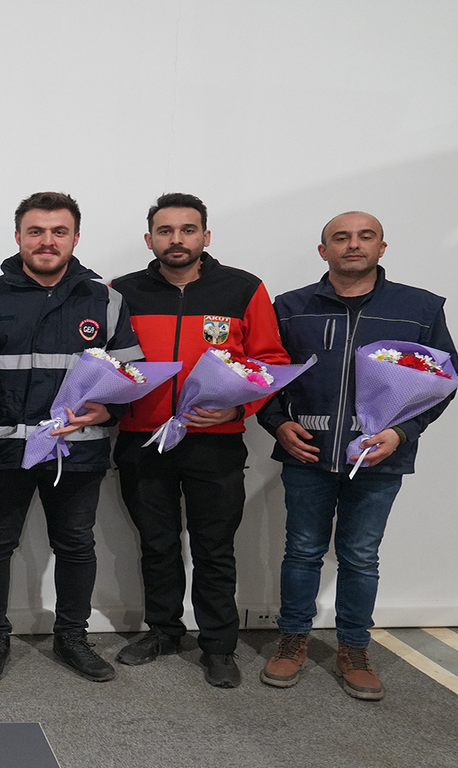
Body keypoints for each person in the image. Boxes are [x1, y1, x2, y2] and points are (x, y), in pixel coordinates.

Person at [257, 211, 458, 701]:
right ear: (322, 250)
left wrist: (403, 433)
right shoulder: (291, 308)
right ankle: (293, 639)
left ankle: (354, 648)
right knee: (301, 551)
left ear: (381, 248)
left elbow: (445, 381)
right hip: (307, 456)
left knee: (361, 557)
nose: (353, 244)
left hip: (379, 460)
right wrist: (277, 423)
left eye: (365, 236)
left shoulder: (420, 308)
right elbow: (264, 372)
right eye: (340, 237)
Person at [0, 191, 142, 685]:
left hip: (76, 449)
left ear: (76, 238)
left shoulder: (105, 300)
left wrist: (111, 408)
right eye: (35, 231)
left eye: (59, 231)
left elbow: (131, 371)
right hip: (0, 448)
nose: (47, 241)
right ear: (18, 237)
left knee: (76, 544)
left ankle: (72, 637)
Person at [110, 193, 289, 688]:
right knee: (157, 544)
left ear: (205, 236)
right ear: (149, 239)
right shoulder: (122, 292)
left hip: (216, 441)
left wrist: (239, 408)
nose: (177, 239)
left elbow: (270, 361)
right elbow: (105, 360)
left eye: (188, 230)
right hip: (143, 439)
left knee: (215, 549)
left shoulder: (244, 288)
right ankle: (163, 631)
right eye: (165, 231)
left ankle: (218, 645)